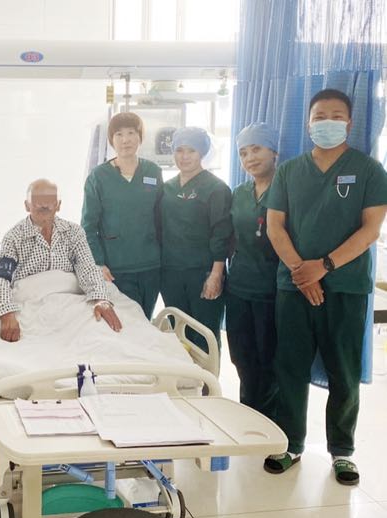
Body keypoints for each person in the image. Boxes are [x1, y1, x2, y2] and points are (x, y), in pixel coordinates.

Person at [263, 89, 387, 485]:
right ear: (308, 123)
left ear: (349, 123)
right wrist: (301, 271)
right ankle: (290, 444)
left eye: (336, 115)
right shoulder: (289, 171)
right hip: (294, 286)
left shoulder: (369, 170)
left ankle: (343, 451)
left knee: (344, 371)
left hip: (346, 286)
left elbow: (370, 229)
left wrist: (325, 266)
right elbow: (275, 226)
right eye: (320, 116)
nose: (327, 122)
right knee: (290, 367)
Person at [0, 178, 122, 340]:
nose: (44, 206)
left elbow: (87, 266)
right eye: (37, 201)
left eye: (50, 201)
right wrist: (6, 314)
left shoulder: (74, 232)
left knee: (101, 335)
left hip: (70, 301)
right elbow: (1, 277)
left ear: (58, 205)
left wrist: (101, 299)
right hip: (31, 303)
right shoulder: (13, 237)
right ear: (27, 205)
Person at [82, 112, 164, 318]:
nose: (125, 139)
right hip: (116, 266)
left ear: (140, 137)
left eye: (131, 133)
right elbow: (88, 226)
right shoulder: (98, 177)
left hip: (150, 264)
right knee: (127, 323)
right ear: (111, 140)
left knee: (145, 318)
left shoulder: (152, 171)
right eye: (119, 134)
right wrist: (98, 263)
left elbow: (161, 218)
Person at [225, 123, 281, 420]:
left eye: (256, 149)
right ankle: (248, 417)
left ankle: (269, 424)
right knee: (242, 357)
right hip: (239, 287)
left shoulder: (287, 190)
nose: (250, 158)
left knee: (268, 360)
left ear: (274, 151)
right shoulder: (239, 193)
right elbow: (230, 237)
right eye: (243, 153)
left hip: (272, 290)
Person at [160, 127, 232, 352]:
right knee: (178, 334)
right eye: (179, 150)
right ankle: (183, 375)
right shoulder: (166, 188)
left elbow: (221, 234)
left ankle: (207, 377)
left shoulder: (216, 188)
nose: (184, 156)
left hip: (203, 273)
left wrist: (216, 275)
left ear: (202, 153)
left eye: (191, 150)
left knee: (204, 335)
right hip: (170, 273)